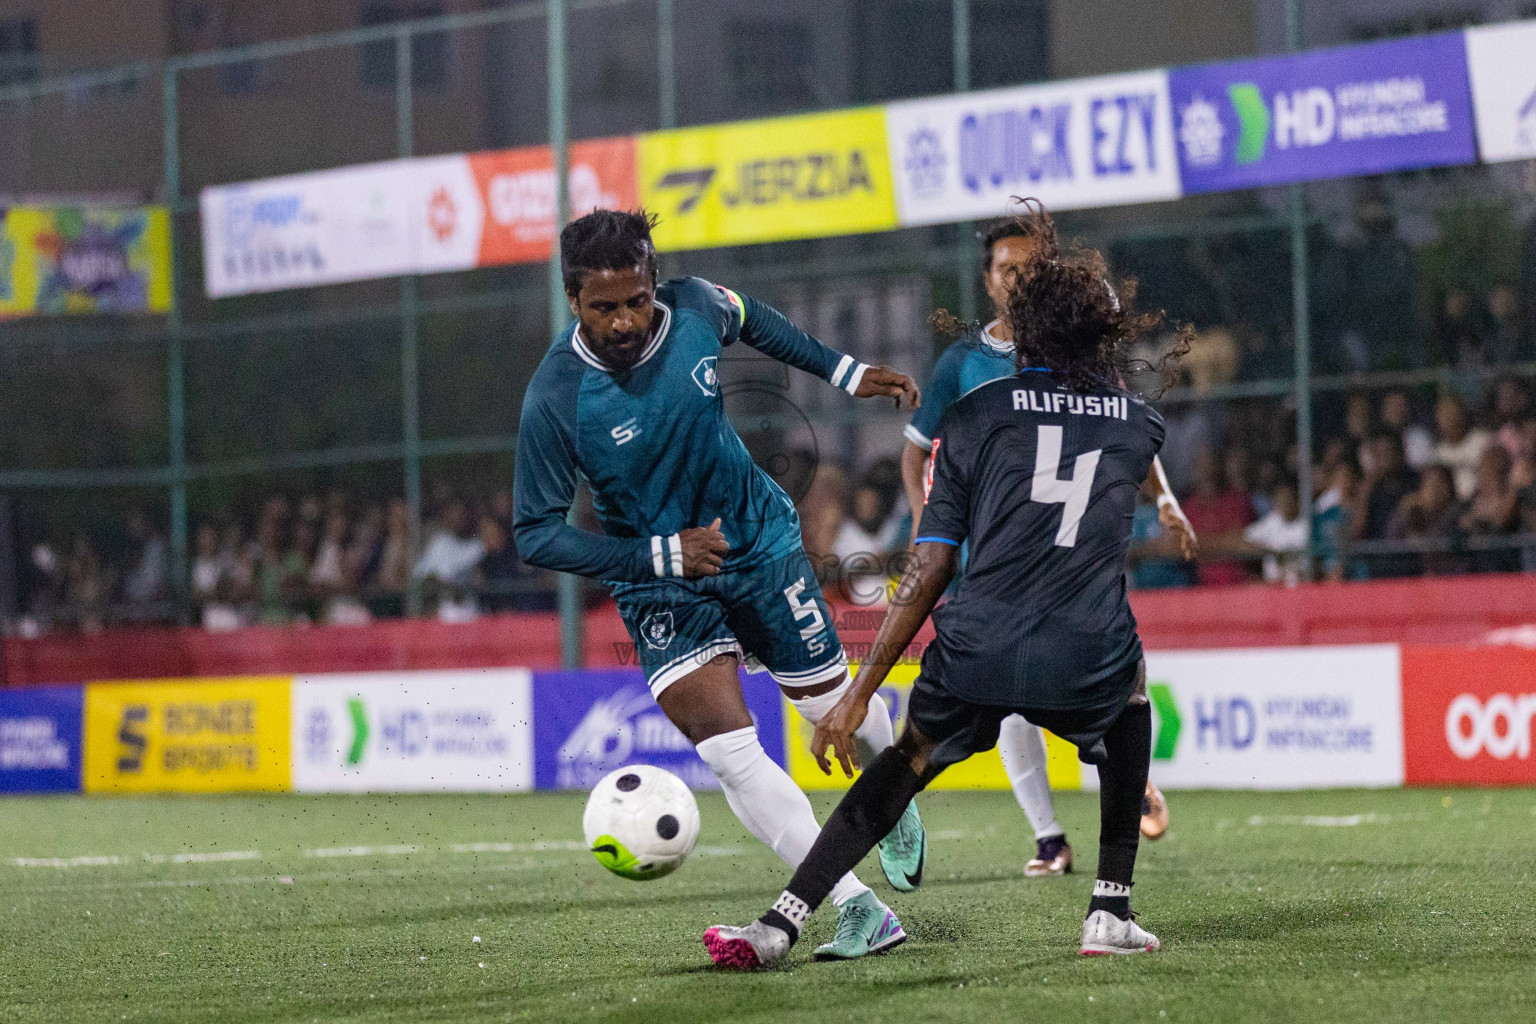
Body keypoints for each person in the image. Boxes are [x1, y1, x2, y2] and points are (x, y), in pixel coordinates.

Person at [705, 222, 1186, 969]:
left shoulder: (970, 417)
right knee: (1129, 706)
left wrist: (860, 691)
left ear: (1020, 338)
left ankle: (781, 922)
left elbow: (930, 567)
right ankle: (1109, 910)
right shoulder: (1139, 426)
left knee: (903, 763)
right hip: (1086, 651)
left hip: (978, 645)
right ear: (1097, 343)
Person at [513, 208, 925, 961]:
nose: (626, 320)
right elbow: (535, 530)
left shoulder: (696, 306)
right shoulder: (555, 398)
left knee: (831, 709)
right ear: (573, 300)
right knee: (731, 752)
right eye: (605, 307)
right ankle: (857, 907)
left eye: (637, 298)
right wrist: (661, 559)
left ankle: (887, 787)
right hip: (660, 583)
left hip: (757, 541)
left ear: (654, 283)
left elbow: (757, 319)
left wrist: (845, 372)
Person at [896, 210, 1184, 877]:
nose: (1016, 278)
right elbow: (914, 456)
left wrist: (1163, 499)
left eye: (1028, 267)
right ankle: (1050, 837)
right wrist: (926, 522)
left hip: (1072, 552)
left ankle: (1125, 772)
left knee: (1078, 668)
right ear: (989, 280)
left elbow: (1128, 430)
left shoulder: (1076, 353)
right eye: (1005, 269)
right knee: (1013, 696)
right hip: (992, 561)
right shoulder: (963, 363)